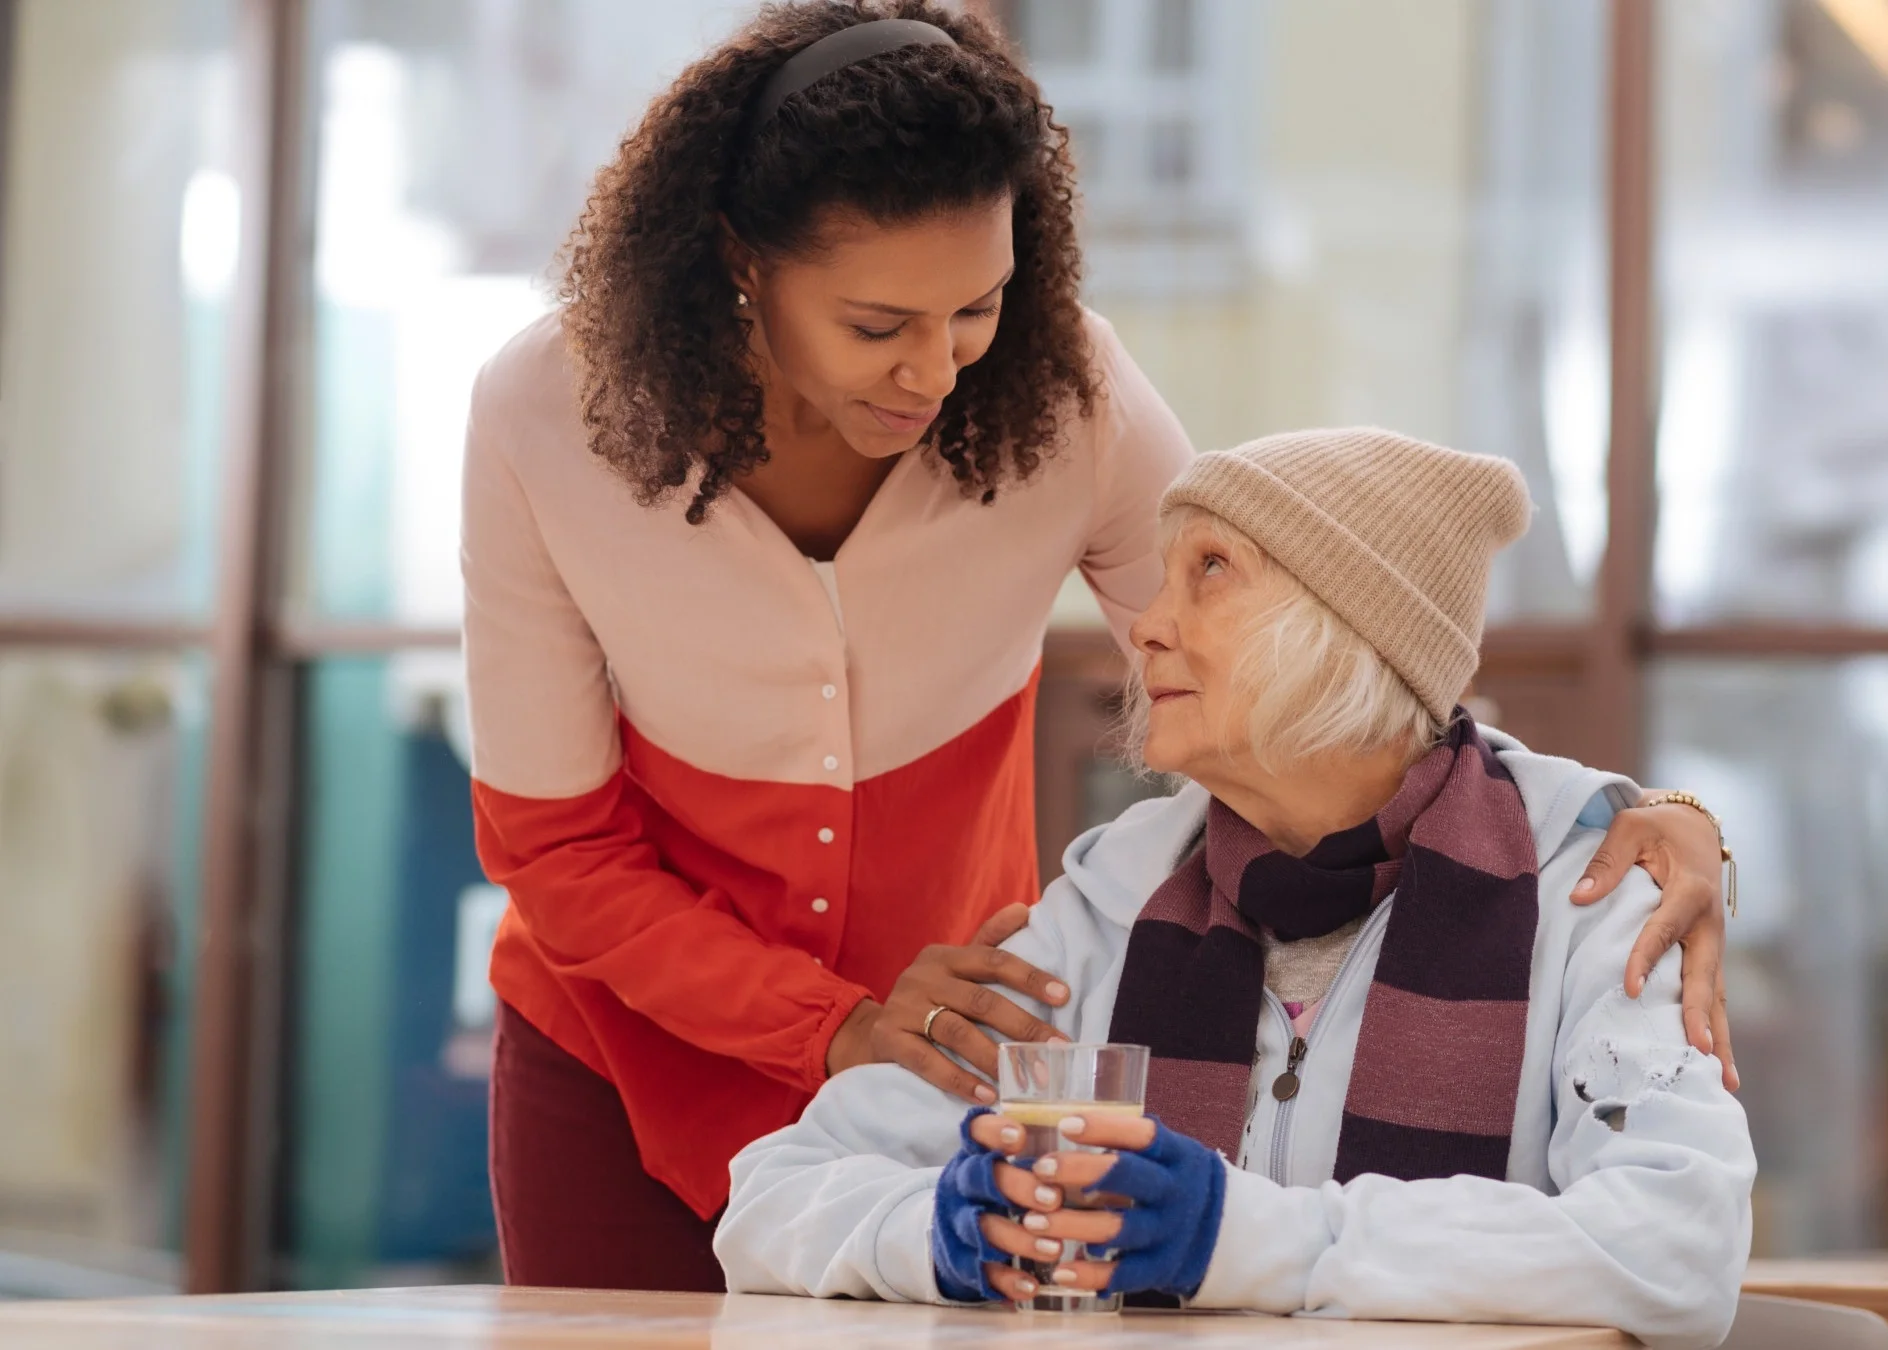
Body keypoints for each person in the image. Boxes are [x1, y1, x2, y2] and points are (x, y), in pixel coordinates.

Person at [466, 0, 1735, 1293]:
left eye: (978, 307)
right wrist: (830, 1021)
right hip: (624, 1057)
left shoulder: (1062, 393)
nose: (935, 372)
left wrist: (1605, 820)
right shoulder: (543, 421)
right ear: (740, 258)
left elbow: (1306, 659)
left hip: (949, 1045)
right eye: (876, 325)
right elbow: (552, 843)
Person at [713, 430, 1755, 1346]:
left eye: (1211, 570)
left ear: (1355, 631)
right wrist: (942, 1231)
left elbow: (1677, 1247)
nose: (1148, 627)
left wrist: (1241, 1238)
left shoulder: (1594, 890)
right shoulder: (1110, 902)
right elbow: (774, 1197)